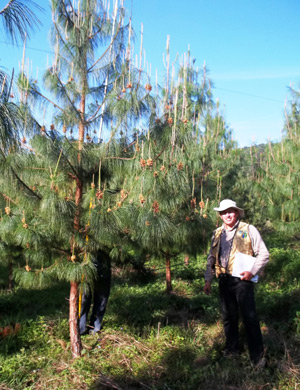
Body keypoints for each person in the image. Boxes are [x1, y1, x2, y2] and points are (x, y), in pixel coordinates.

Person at [203, 199, 269, 367]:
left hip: (242, 280)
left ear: (237, 212)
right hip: (224, 280)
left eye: (230, 211)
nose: (228, 215)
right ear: (220, 215)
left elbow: (264, 254)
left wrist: (252, 271)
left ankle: (258, 357)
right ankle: (232, 350)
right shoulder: (217, 233)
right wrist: (208, 279)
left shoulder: (248, 229)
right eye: (224, 212)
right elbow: (211, 258)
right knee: (228, 317)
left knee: (249, 317)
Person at [79, 249, 111, 335]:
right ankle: (80, 328)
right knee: (84, 298)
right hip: (87, 262)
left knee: (102, 298)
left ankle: (95, 326)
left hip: (103, 262)